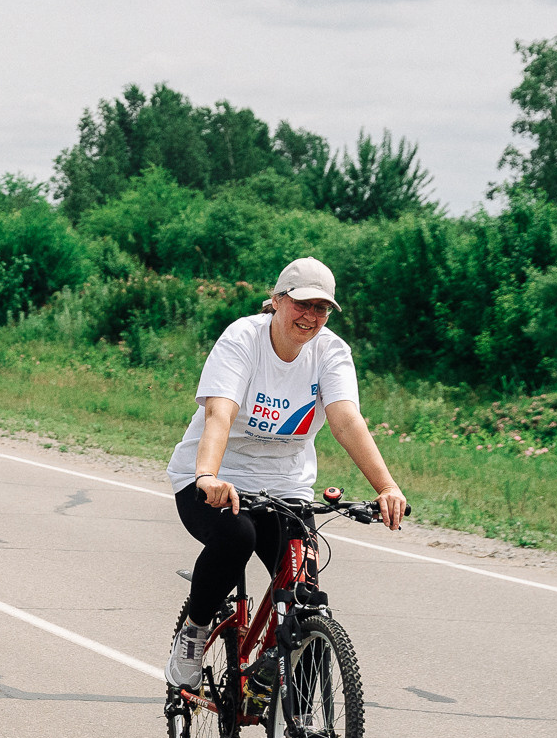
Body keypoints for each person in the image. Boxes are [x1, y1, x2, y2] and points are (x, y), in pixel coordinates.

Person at [164, 257, 406, 688]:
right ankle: (195, 630)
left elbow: (346, 419)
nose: (311, 317)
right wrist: (208, 475)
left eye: (322, 308)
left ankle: (303, 736)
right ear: (277, 301)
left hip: (286, 486)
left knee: (308, 603)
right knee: (237, 536)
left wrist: (385, 486)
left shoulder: (331, 351)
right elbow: (221, 412)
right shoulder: (243, 338)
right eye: (302, 304)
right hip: (216, 478)